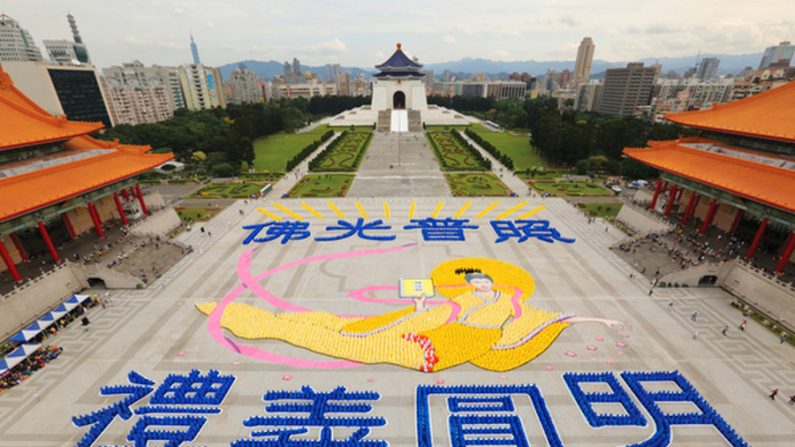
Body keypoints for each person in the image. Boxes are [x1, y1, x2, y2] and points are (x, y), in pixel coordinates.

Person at [196, 258, 626, 373]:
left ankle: (251, 320)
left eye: (482, 282)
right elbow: (442, 311)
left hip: (444, 348)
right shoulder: (461, 301)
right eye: (474, 282)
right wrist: (419, 310)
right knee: (337, 325)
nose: (479, 285)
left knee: (344, 342)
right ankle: (263, 321)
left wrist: (598, 321)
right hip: (435, 328)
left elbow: (556, 318)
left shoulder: (514, 304)